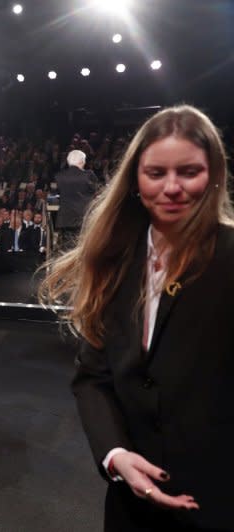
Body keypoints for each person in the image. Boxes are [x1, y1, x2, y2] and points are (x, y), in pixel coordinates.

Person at [41, 105, 234, 530]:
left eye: (189, 172)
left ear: (214, 174)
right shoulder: (112, 259)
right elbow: (92, 377)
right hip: (130, 506)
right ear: (135, 180)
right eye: (156, 173)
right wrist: (115, 455)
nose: (172, 188)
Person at [54, 149, 100, 248]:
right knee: (82, 249)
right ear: (82, 161)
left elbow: (57, 193)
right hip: (83, 218)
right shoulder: (89, 175)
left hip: (65, 219)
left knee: (66, 249)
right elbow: (97, 190)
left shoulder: (59, 176)